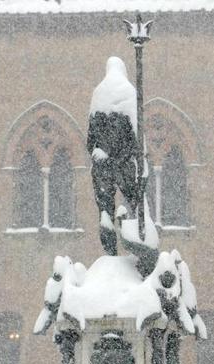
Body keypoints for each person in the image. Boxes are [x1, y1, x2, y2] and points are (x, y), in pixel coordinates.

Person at [87, 57, 139, 256]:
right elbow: (136, 136)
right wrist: (126, 155)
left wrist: (101, 154)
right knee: (134, 204)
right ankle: (136, 249)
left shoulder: (98, 95)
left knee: (105, 212)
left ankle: (110, 254)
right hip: (124, 164)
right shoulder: (128, 93)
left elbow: (90, 140)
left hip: (102, 165)